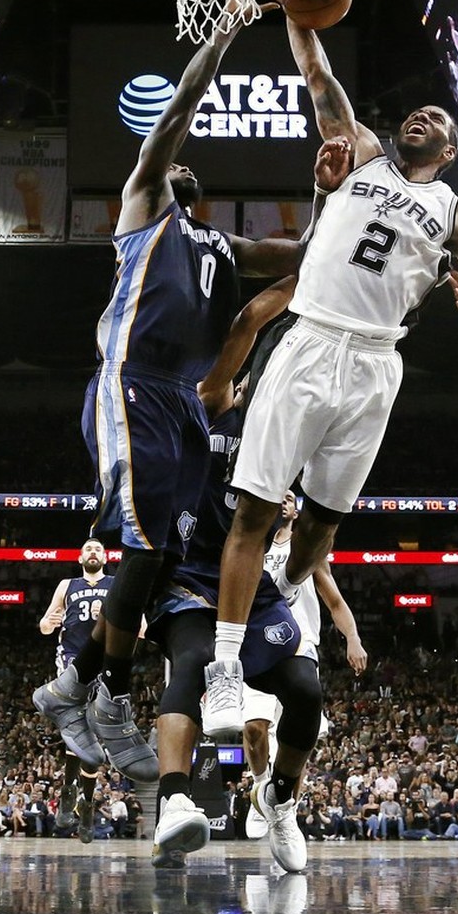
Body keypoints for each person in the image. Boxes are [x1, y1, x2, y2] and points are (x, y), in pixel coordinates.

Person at [203, 0, 458, 736]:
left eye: (437, 119)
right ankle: (225, 670)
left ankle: (282, 596)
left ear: (450, 151)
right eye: (418, 109)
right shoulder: (361, 151)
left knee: (322, 525)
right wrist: (289, 5)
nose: (422, 115)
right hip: (311, 340)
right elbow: (317, 72)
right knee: (255, 509)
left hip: (378, 363)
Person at [32, 0, 302, 779]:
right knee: (145, 542)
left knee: (158, 551)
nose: (176, 160)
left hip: (182, 400)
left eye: (187, 165)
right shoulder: (145, 203)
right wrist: (223, 35)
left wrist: (343, 194)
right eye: (171, 154)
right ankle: (98, 688)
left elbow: (299, 253)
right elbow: (180, 108)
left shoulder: (218, 238)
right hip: (133, 383)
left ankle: (80, 681)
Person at [146, 276, 330, 874]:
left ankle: (280, 801)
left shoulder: (289, 442)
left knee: (305, 692)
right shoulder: (219, 405)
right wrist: (314, 266)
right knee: (194, 664)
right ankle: (173, 800)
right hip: (194, 578)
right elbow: (249, 320)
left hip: (258, 594)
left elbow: (310, 533)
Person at [243, 488, 367, 841]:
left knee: (296, 741)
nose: (283, 500)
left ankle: (285, 811)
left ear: (297, 510)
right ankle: (260, 788)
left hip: (299, 646)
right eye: (277, 494)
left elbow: (335, 602)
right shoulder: (250, 544)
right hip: (255, 642)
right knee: (254, 728)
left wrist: (353, 638)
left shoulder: (306, 549)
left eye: (289, 497)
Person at [37, 537, 112, 842]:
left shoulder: (116, 583)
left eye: (98, 548)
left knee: (90, 735)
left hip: (106, 661)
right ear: (81, 558)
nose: (93, 551)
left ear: (105, 557)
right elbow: (45, 625)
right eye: (88, 549)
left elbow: (138, 622)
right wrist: (47, 622)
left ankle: (85, 802)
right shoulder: (67, 585)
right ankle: (71, 796)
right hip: (72, 659)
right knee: (77, 723)